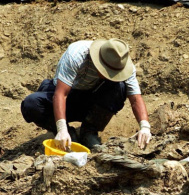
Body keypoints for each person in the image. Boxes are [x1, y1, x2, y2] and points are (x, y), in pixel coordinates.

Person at [21, 38, 152, 151]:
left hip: (91, 98)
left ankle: (89, 131)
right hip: (64, 97)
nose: (111, 76)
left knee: (119, 86)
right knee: (31, 104)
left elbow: (135, 99)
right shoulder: (76, 55)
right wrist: (61, 129)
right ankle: (66, 133)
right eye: (108, 72)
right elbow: (61, 94)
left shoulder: (121, 64)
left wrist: (144, 126)